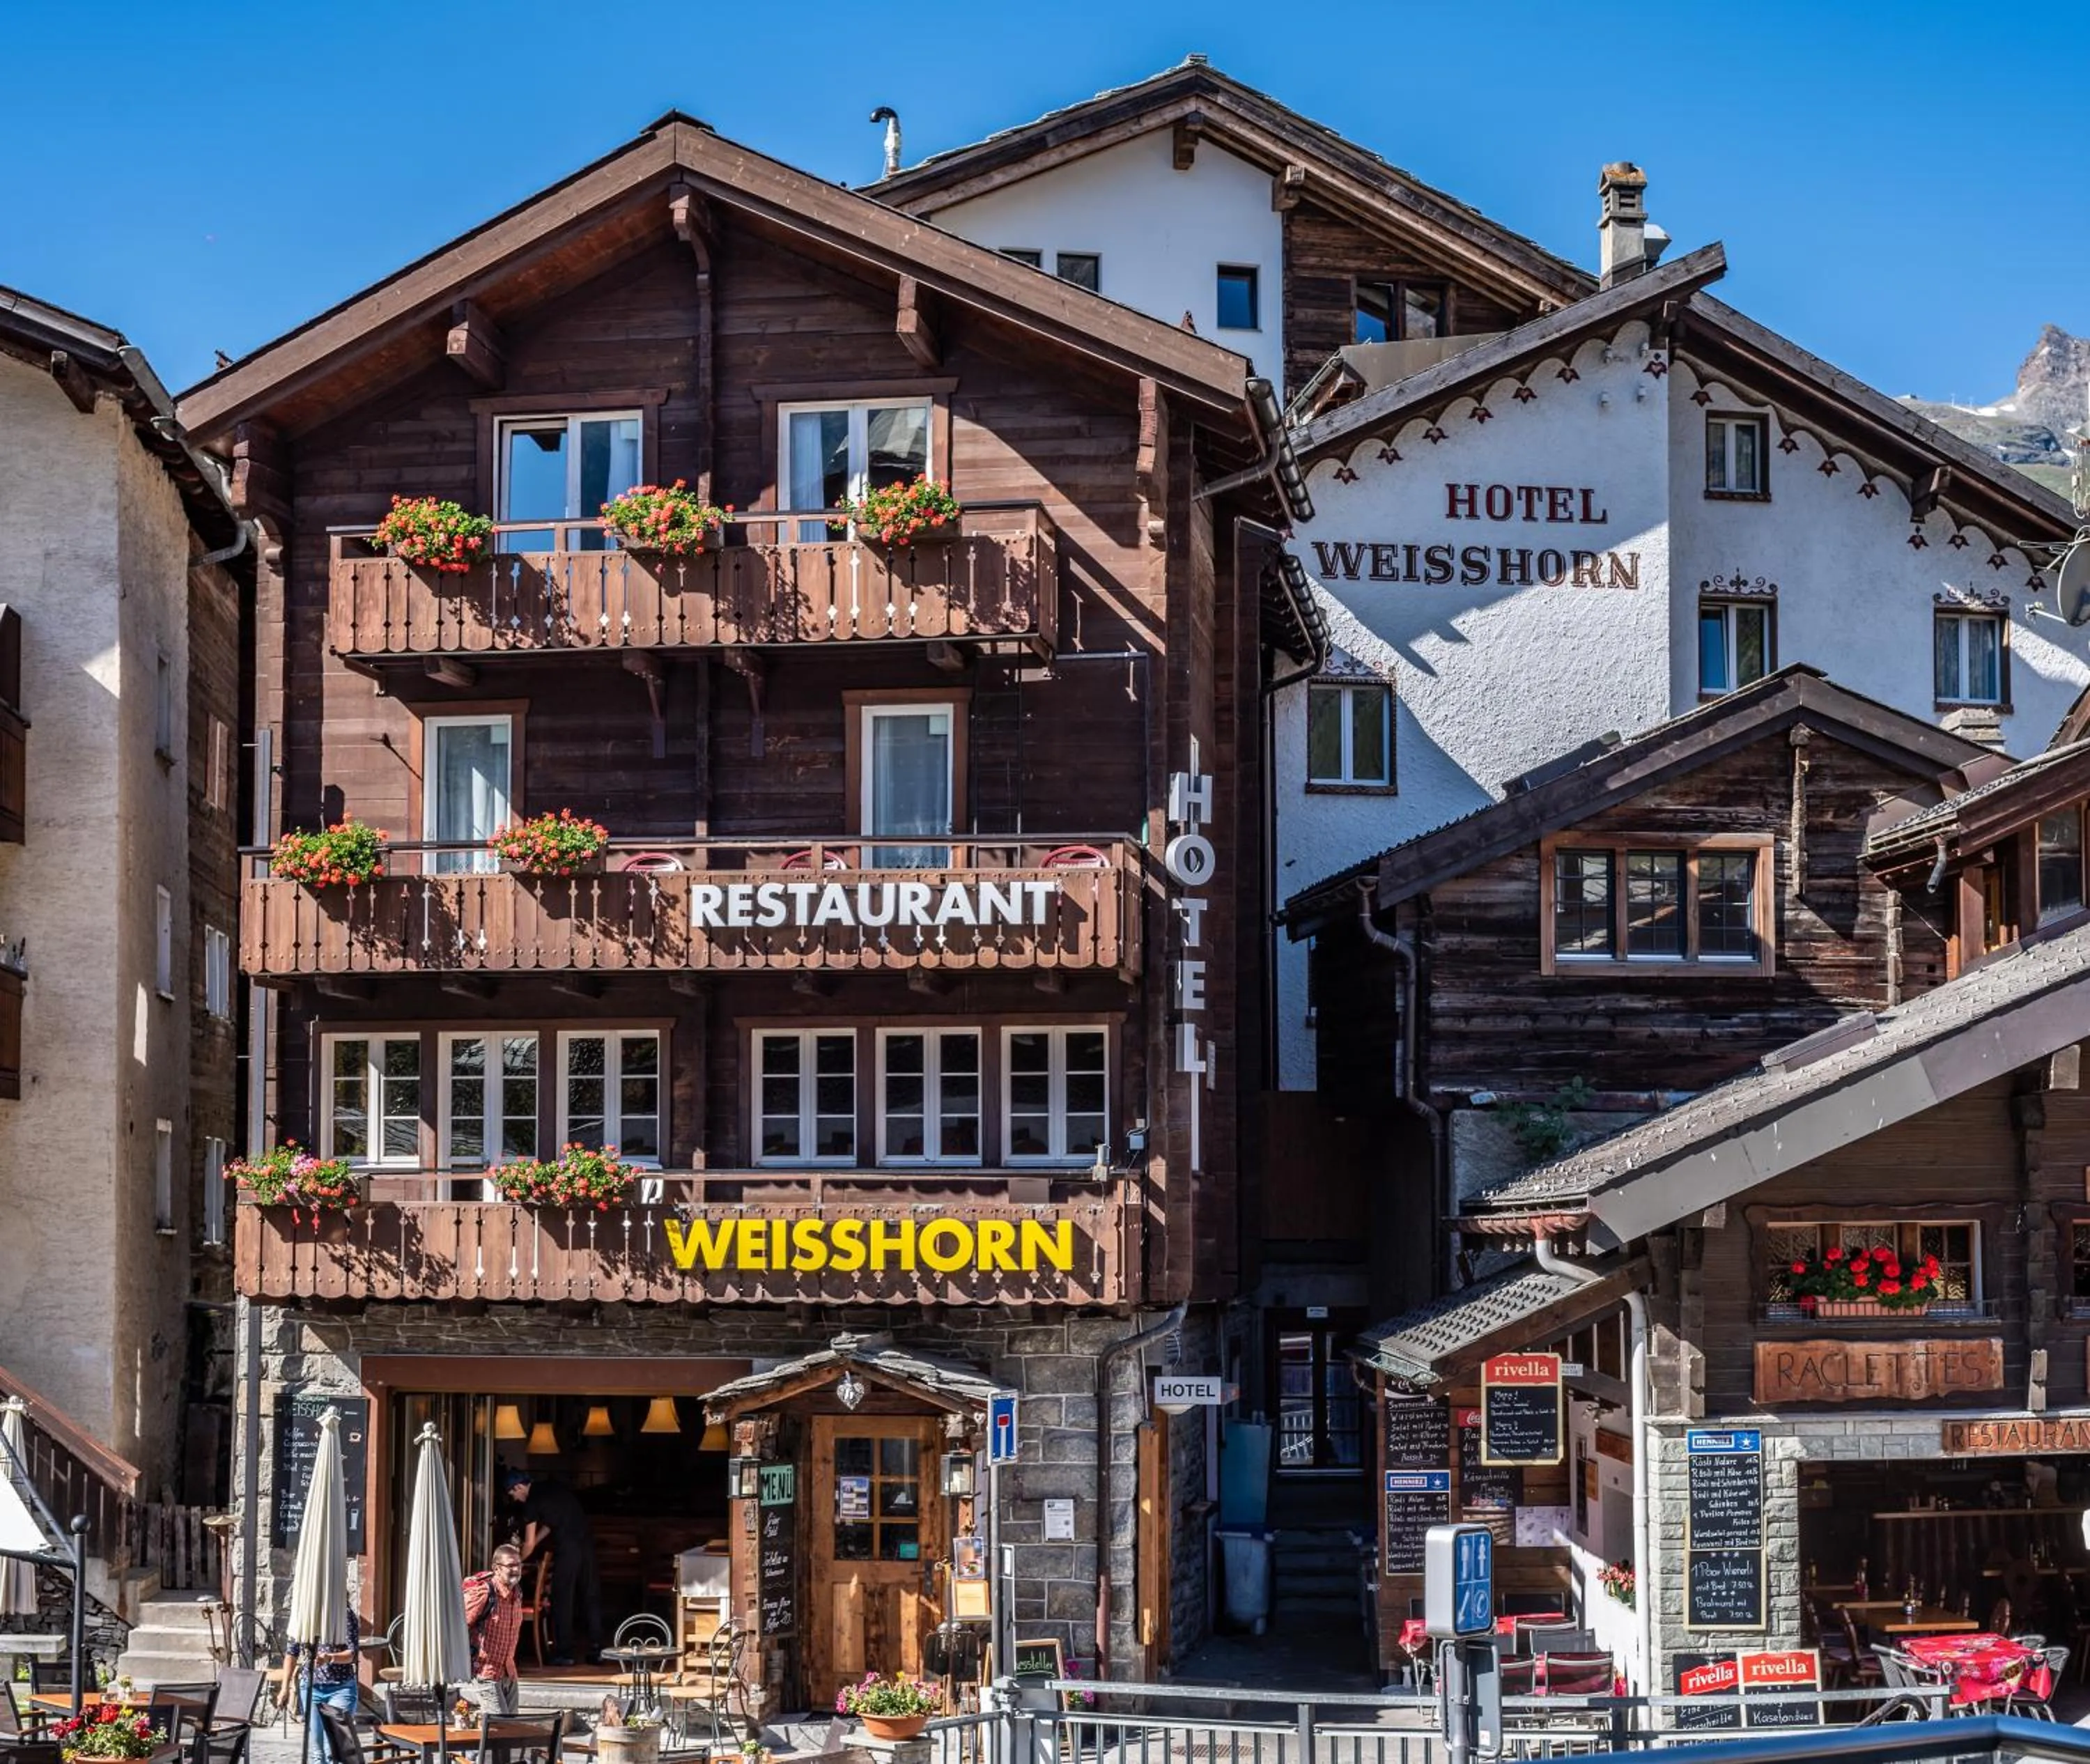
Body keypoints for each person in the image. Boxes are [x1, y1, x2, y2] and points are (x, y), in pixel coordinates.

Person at [503, 1467, 601, 1665]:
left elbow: (528, 1544)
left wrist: (517, 1562)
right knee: (590, 1595)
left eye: (513, 1492)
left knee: (562, 1598)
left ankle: (565, 1654)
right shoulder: (551, 1488)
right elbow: (550, 1524)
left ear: (520, 1486)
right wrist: (535, 1543)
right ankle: (598, 1649)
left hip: (569, 1548)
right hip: (587, 1544)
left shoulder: (531, 1503)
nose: (514, 1498)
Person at [279, 1606, 359, 1764]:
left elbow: (352, 1654)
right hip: (310, 1687)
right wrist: (284, 1688)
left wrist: (330, 1658)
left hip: (341, 1687)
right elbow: (291, 1653)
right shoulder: (302, 1614)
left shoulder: (344, 1614)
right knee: (318, 1751)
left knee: (334, 1750)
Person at [462, 1543, 527, 1715]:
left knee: (510, 1728)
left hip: (509, 1673)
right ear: (497, 1569)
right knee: (501, 1728)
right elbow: (458, 1626)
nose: (516, 1570)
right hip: (486, 1674)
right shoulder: (484, 1593)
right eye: (511, 1565)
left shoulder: (516, 1593)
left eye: (519, 1565)